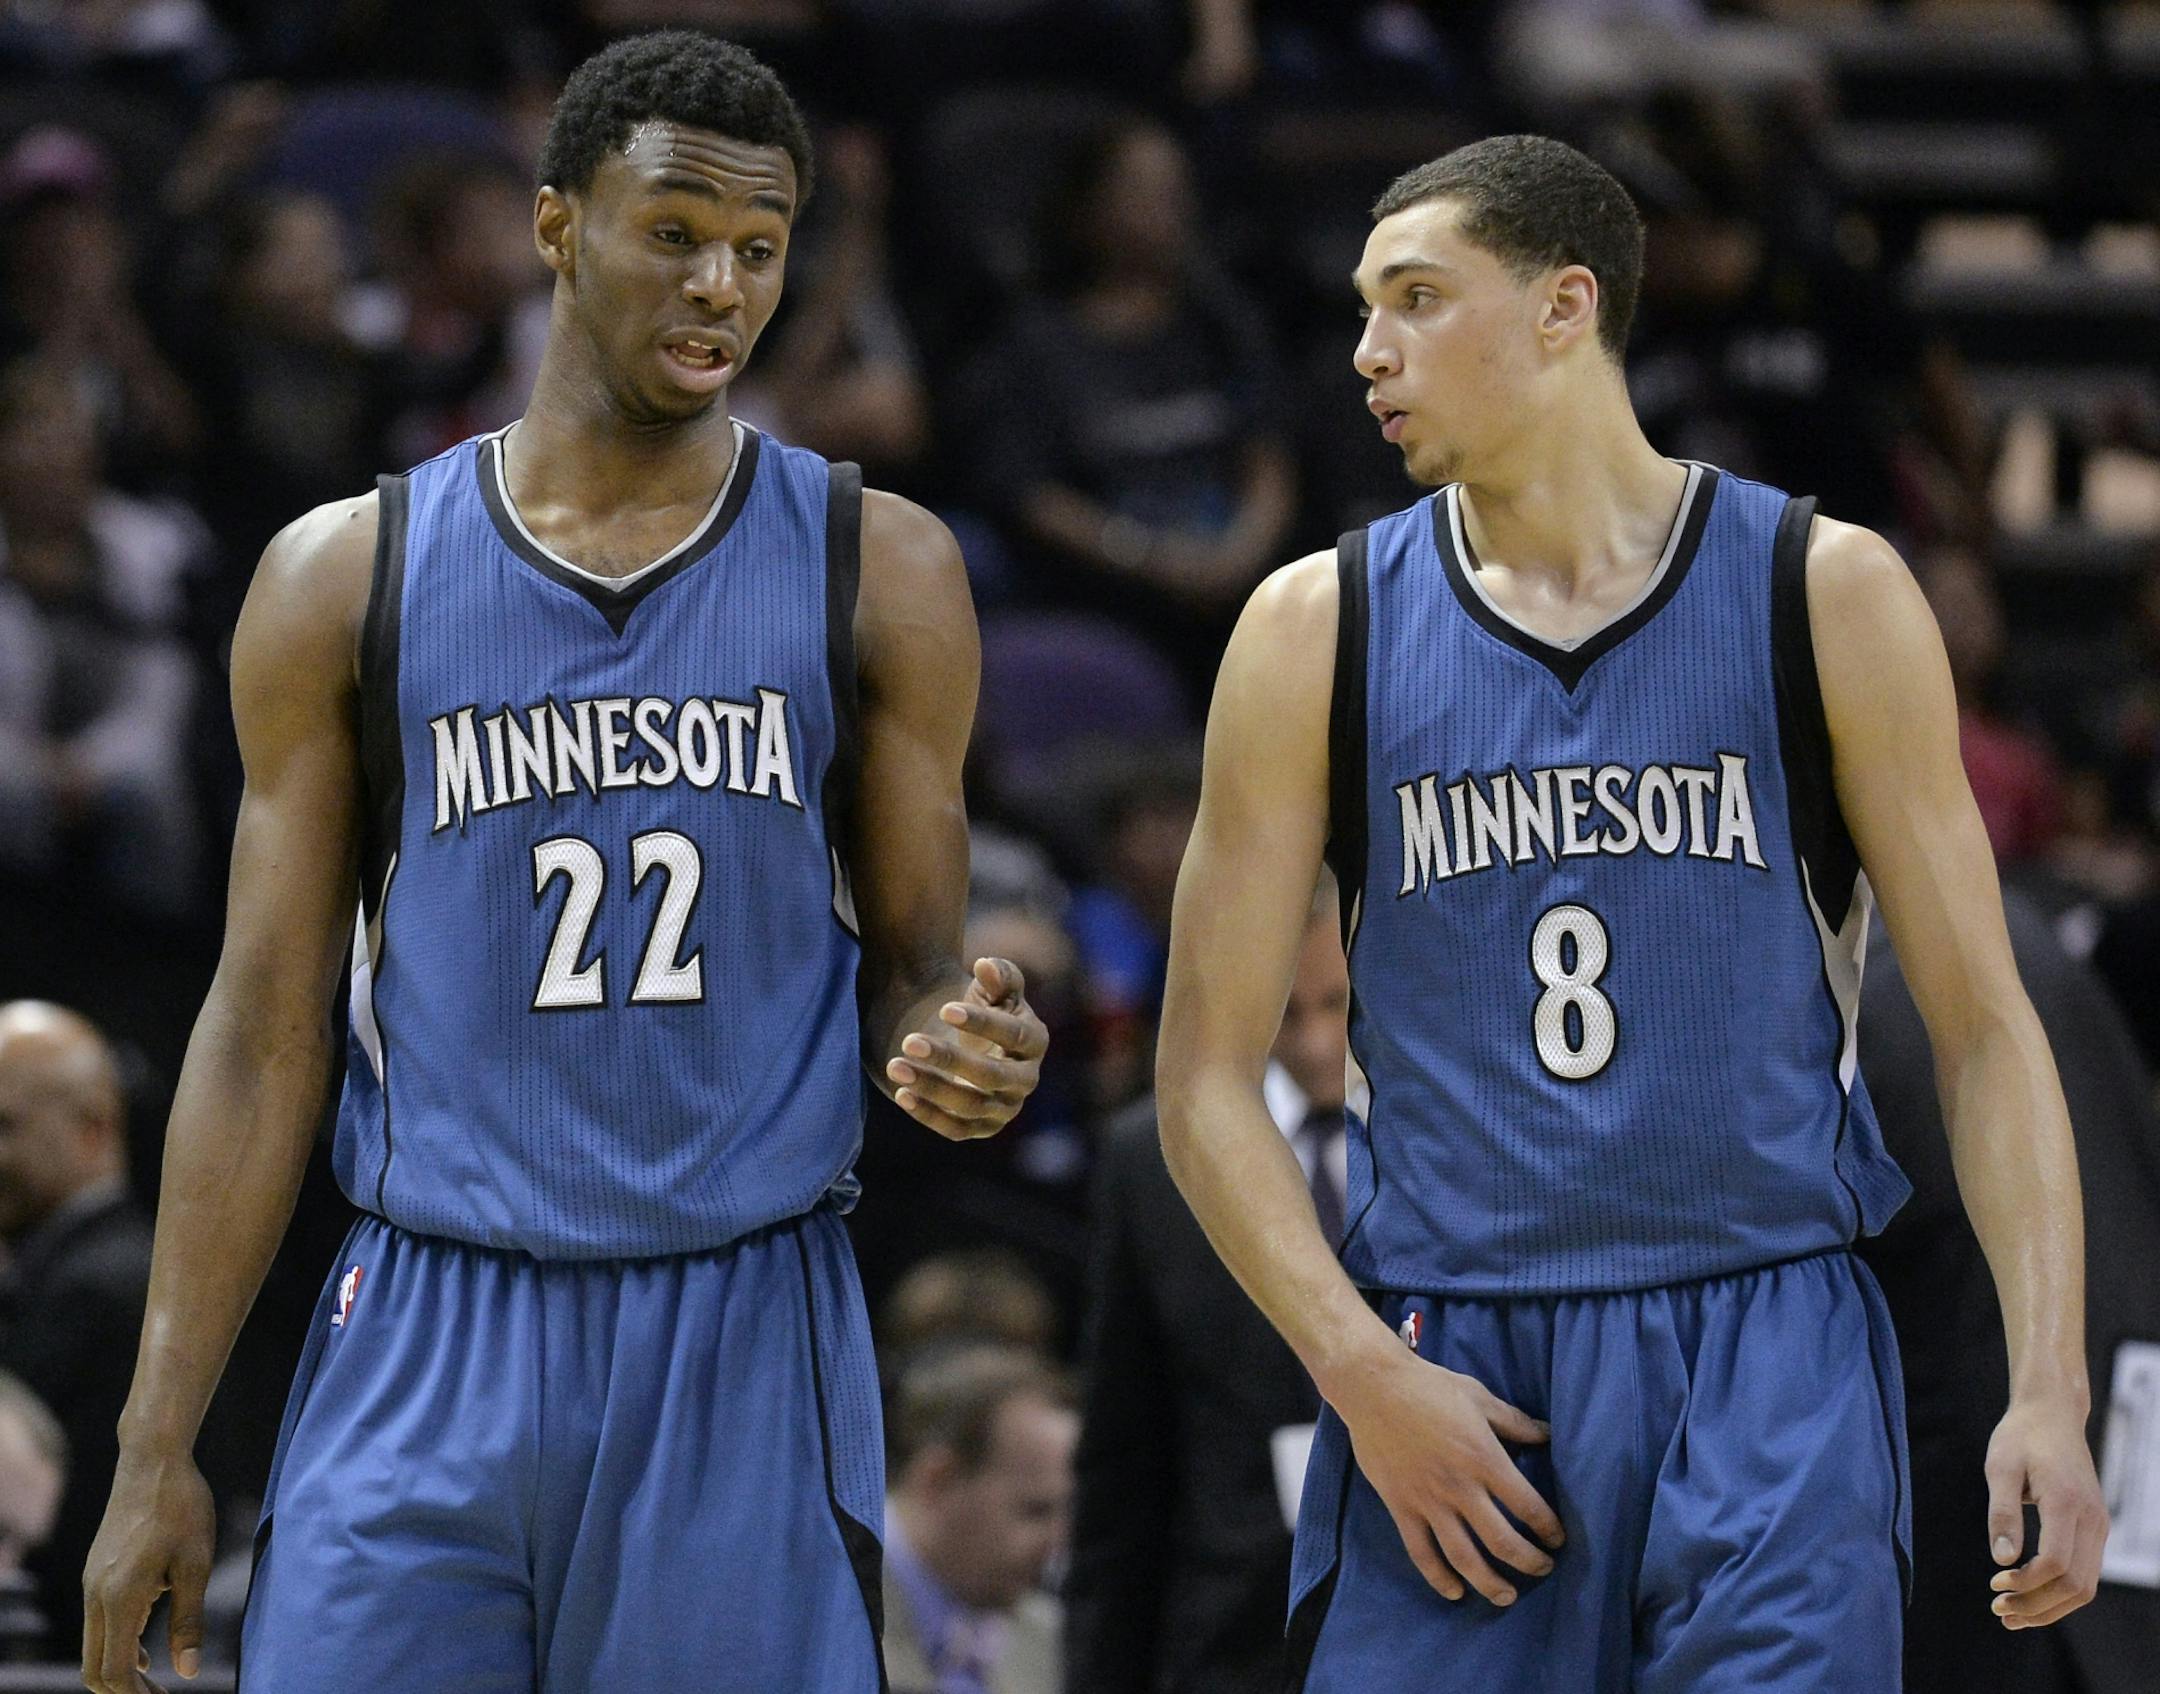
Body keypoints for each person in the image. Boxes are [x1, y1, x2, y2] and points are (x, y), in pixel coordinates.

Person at [79, 32, 1047, 1694]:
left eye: (761, 248)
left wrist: (960, 1044)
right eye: (675, 231)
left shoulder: (873, 565)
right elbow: (260, 1028)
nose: (722, 285)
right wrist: (157, 1437)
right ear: (555, 227)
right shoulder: (343, 575)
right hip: (431, 1311)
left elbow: (913, 964)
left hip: (738, 1320)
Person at [1156, 134, 2107, 1692]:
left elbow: (1991, 1027)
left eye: (1415, 299)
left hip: (1769, 1359)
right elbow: (1202, 1078)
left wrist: (2048, 1387)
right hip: (1460, 1369)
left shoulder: (1828, 589)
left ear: (1562, 307)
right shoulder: (1312, 629)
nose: (1366, 352)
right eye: (1361, 308)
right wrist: (1356, 1368)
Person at [1066, 890, 1346, 1694]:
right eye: (1286, 1015)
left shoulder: (1451, 1136)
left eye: (1338, 1005)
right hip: (1233, 1641)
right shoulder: (1153, 1163)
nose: (1319, 1044)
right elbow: (1122, 1467)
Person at [0, 1001, 153, 1663]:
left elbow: (64, 1538)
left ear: (93, 1129)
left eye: (5, 1124)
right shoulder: (135, 1268)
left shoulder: (98, 1289)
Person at [883, 1344, 1076, 1694]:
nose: (1058, 1543)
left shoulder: (1049, 1639)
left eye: (1069, 1512)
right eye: (1035, 1510)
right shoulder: (824, 1615)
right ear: (937, 1481)